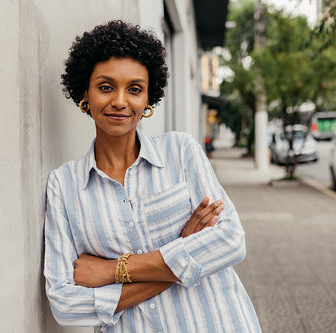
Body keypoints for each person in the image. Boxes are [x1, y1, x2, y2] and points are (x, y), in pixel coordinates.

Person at [44, 20, 261, 333]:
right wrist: (185, 247)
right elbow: (66, 305)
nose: (120, 101)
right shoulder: (64, 185)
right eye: (106, 87)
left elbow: (230, 241)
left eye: (134, 89)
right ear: (85, 94)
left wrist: (113, 270)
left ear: (148, 100)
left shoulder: (180, 150)